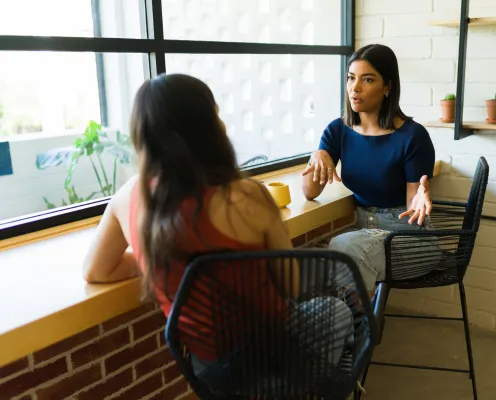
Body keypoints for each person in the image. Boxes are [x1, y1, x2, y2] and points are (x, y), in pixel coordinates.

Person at [82, 73, 353, 389]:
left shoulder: (126, 199)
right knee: (336, 311)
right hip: (276, 354)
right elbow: (290, 287)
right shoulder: (247, 196)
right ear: (209, 129)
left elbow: (96, 269)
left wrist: (156, 258)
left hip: (210, 373)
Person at [302, 44, 441, 293]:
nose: (355, 88)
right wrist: (318, 155)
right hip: (366, 232)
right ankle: (353, 326)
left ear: (387, 87)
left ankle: (355, 328)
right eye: (351, 78)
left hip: (408, 238)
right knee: (328, 257)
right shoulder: (337, 130)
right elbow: (310, 192)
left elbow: (412, 210)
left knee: (346, 248)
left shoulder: (413, 136)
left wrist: (420, 196)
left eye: (367, 79)